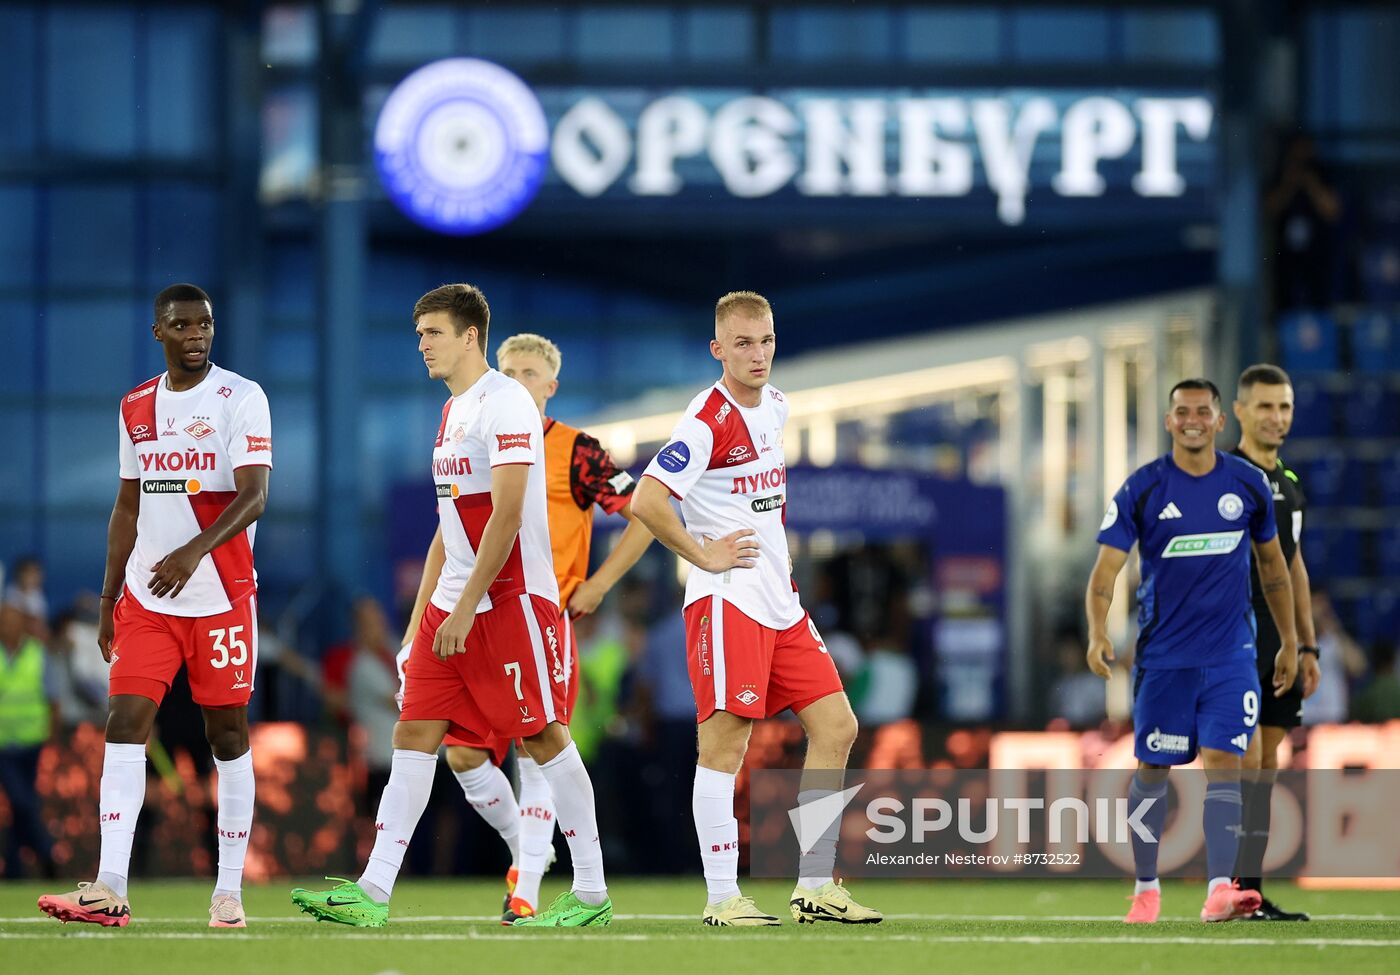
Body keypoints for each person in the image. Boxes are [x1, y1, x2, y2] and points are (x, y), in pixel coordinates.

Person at [291, 284, 612, 929]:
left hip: (511, 600)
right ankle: (373, 893)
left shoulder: (508, 402)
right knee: (413, 736)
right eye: (418, 335)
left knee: (544, 739)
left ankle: (590, 893)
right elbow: (450, 527)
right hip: (452, 604)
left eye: (432, 334)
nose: (422, 346)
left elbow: (509, 511)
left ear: (470, 336)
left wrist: (469, 606)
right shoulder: (452, 410)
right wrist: (420, 625)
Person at [631, 290, 881, 926]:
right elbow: (648, 500)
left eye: (766, 340)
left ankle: (815, 887)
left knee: (837, 727)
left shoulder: (776, 404)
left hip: (780, 600)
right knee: (724, 746)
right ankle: (721, 900)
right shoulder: (705, 421)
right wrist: (699, 553)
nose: (758, 353)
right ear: (717, 350)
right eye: (742, 343)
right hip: (727, 601)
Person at [38, 283, 272, 929]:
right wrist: (110, 596)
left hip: (221, 596)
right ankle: (110, 883)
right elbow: (128, 505)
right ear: (159, 333)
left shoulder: (241, 397)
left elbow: (253, 496)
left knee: (226, 734)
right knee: (124, 720)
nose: (197, 333)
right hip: (147, 597)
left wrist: (194, 550)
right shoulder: (136, 405)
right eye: (182, 324)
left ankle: (228, 891)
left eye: (205, 323)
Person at [434, 332, 653, 923]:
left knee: (536, 748)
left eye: (529, 373)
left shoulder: (577, 451)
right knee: (462, 757)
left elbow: (647, 514)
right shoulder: (472, 435)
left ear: (551, 386)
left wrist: (601, 583)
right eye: (508, 370)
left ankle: (527, 887)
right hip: (477, 617)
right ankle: (522, 848)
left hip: (540, 620)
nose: (516, 381)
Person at [1086, 378, 1298, 925]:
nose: (1193, 420)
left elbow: (1275, 569)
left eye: (1203, 411)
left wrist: (1292, 641)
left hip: (1232, 656)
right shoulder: (1144, 488)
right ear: (1169, 420)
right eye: (1183, 411)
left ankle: (1218, 892)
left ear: (1220, 420)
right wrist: (1098, 631)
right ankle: (1146, 887)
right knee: (1152, 770)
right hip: (1164, 661)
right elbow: (1105, 573)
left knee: (1226, 764)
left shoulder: (1247, 485)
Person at [1228, 364, 1321, 921]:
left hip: (1282, 640)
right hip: (1237, 636)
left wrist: (1306, 645)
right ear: (1239, 411)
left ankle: (1249, 892)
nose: (1276, 418)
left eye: (1284, 407)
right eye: (1265, 407)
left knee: (1266, 766)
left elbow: (1295, 565)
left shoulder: (1288, 483)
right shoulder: (1223, 477)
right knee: (1242, 764)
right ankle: (1230, 889)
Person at [0, 600, 60, 878]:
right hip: (3, 745)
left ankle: (14, 868)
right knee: (23, 802)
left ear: (23, 625)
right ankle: (47, 854)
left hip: (32, 743)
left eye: (12, 622)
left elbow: (53, 698)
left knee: (20, 805)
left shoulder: (38, 654)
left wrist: (53, 735)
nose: (7, 627)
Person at [344, 597, 400, 817]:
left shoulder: (395, 650)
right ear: (359, 629)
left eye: (379, 618)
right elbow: (400, 702)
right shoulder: (362, 666)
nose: (379, 626)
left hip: (409, 755)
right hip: (382, 760)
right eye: (371, 622)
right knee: (386, 825)